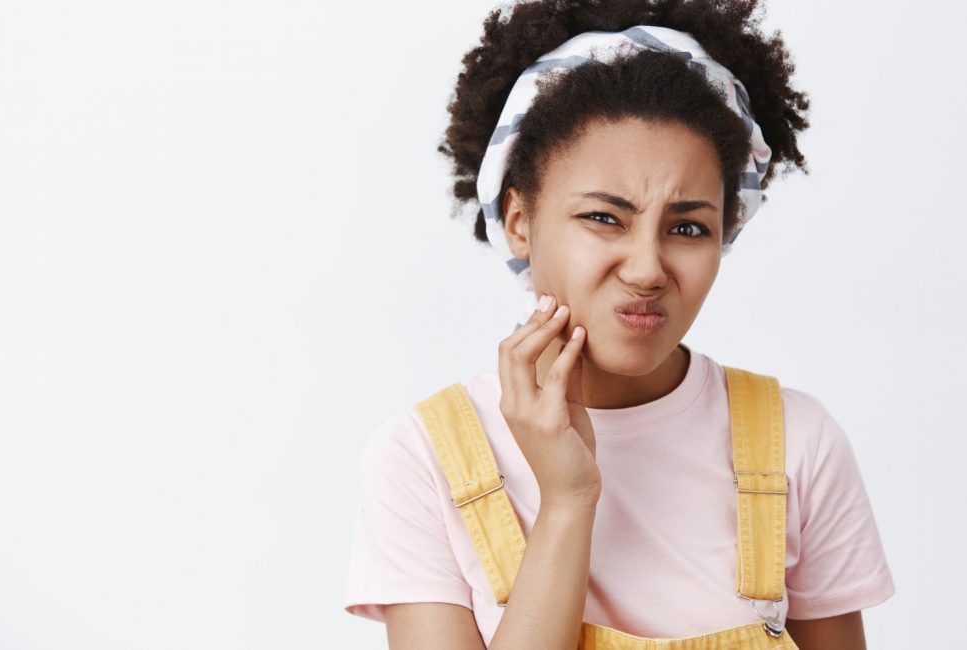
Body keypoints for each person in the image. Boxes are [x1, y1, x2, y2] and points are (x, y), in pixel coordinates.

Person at [342, 1, 895, 648]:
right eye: (605, 218)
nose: (647, 269)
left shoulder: (798, 444)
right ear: (520, 220)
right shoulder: (424, 459)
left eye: (688, 228)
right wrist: (568, 500)